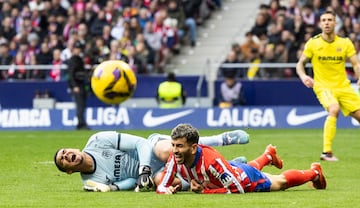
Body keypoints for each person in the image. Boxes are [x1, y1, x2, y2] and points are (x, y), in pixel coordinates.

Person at [54, 129, 250, 192]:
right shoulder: (91, 182)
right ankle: (232, 166)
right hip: (149, 176)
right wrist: (113, 188)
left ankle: (222, 139)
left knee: (167, 150)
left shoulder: (97, 140)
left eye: (64, 152)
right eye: (63, 160)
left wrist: (144, 169)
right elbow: (130, 182)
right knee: (163, 183)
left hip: (152, 151)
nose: (66, 156)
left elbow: (141, 143)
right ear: (69, 170)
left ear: (74, 149)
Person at [156, 123, 326, 194]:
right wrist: (167, 189)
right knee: (236, 168)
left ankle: (314, 173)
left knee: (279, 182)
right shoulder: (174, 157)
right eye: (173, 145)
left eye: (179, 146)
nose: (175, 151)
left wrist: (205, 192)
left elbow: (237, 189)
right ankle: (267, 156)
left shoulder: (211, 162)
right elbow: (162, 186)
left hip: (244, 180)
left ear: (193, 148)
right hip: (228, 171)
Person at [296, 10, 360, 162]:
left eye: (330, 20)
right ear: (320, 23)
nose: (326, 23)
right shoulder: (313, 43)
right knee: (334, 108)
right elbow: (300, 64)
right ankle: (327, 153)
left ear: (335, 23)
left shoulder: (345, 43)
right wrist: (304, 76)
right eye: (324, 20)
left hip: (343, 87)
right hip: (323, 87)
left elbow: (356, 64)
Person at [67, 41, 90, 130]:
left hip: (81, 84)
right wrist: (74, 86)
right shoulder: (73, 60)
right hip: (77, 85)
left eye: (79, 49)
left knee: (82, 105)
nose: (78, 51)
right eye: (77, 49)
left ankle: (81, 123)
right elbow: (71, 74)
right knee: (80, 105)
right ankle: (81, 124)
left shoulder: (78, 59)